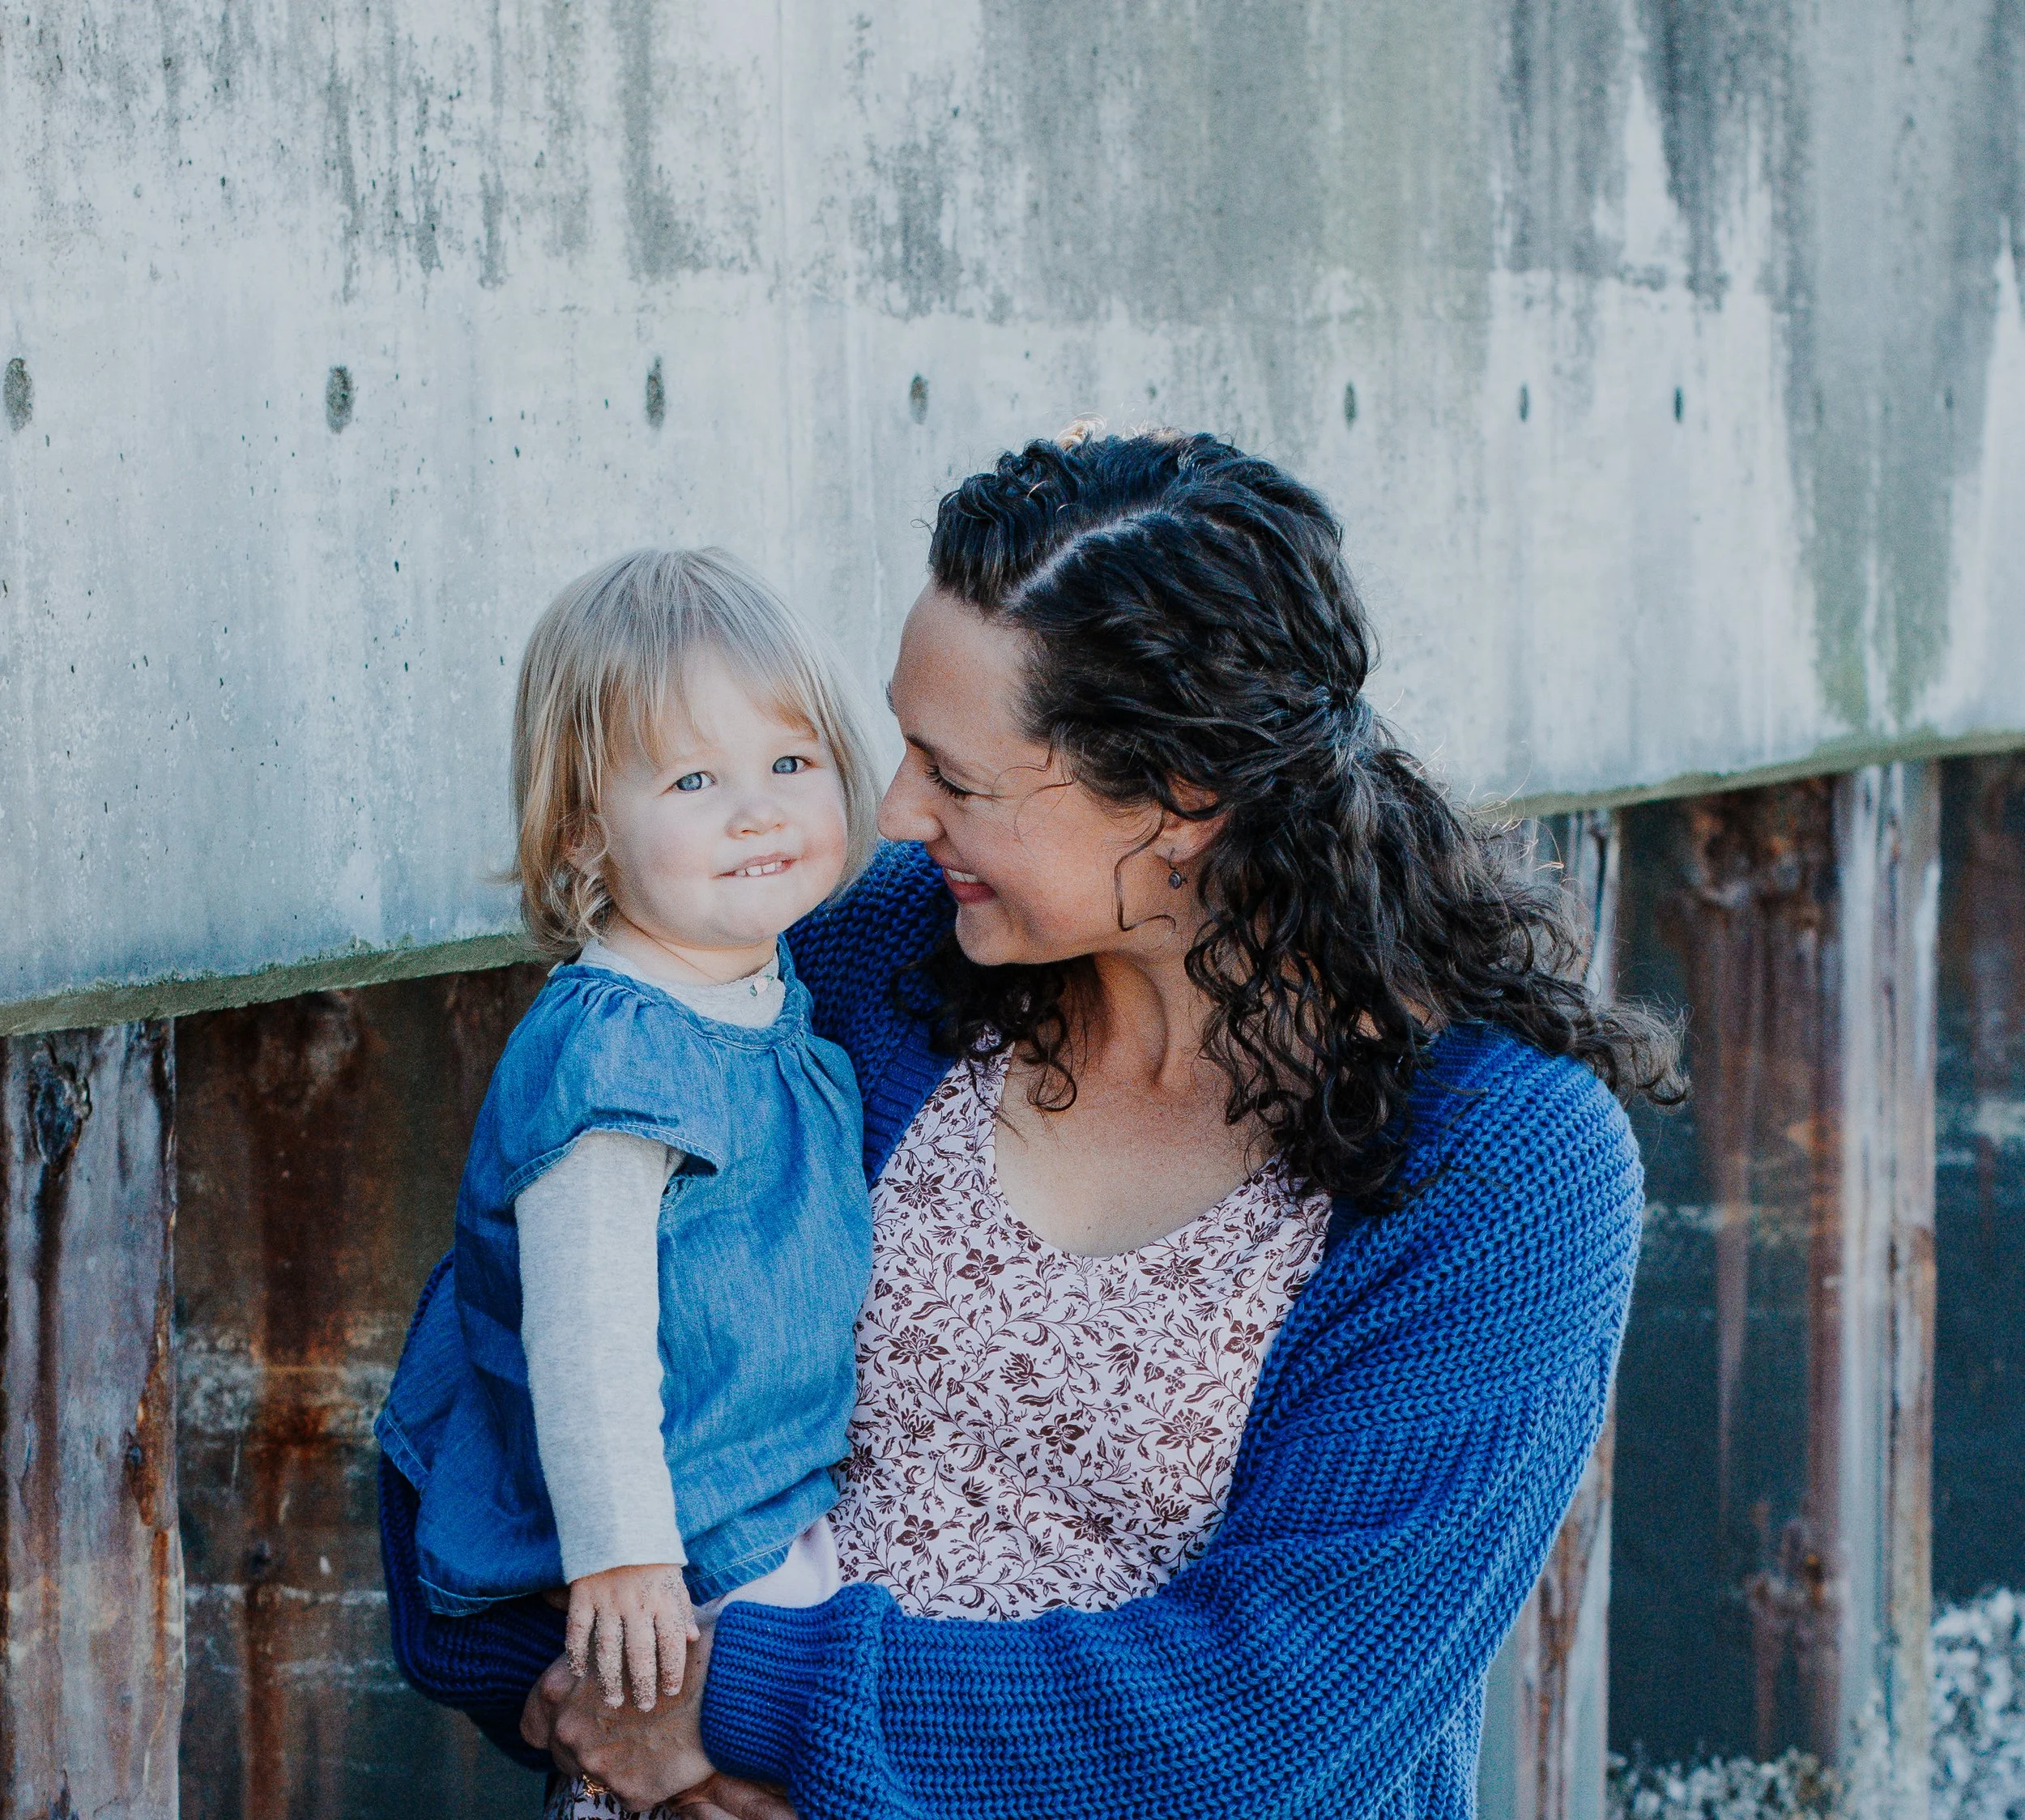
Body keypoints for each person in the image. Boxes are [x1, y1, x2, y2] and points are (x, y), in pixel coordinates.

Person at [380, 429, 1678, 1818]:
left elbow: (1273, 1718)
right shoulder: (875, 959)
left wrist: (746, 1711)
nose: (890, 809)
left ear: (1181, 802)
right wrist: (635, 1722)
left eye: (957, 775)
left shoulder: (1498, 1164)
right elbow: (485, 1429)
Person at [373, 548, 883, 1810]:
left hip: (764, 1509)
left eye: (790, 762)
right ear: (585, 828)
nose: (758, 810)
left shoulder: (763, 1005)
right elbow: (584, 1327)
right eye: (695, 778)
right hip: (677, 1542)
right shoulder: (617, 1044)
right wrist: (622, 1557)